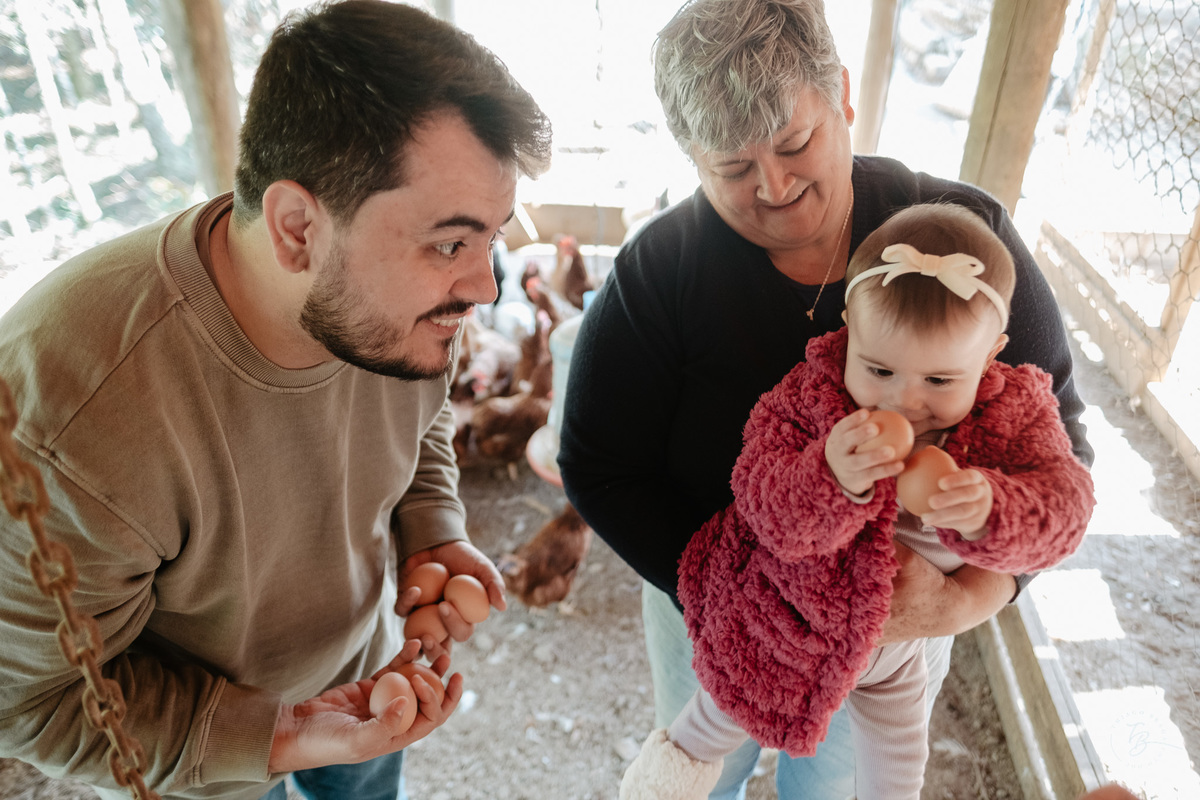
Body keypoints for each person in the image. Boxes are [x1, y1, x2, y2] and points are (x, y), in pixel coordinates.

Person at [0, 3, 550, 800]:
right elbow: (35, 704)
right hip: (202, 760)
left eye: (492, 239)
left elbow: (421, 416)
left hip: (371, 680)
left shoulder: (408, 316)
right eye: (450, 244)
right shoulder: (70, 417)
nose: (483, 288)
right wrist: (284, 733)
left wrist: (431, 531)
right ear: (298, 228)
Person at [557, 1, 1093, 797]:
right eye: (732, 168)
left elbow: (1062, 450)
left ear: (842, 95)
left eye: (794, 143)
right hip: (719, 600)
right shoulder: (660, 270)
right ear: (689, 156)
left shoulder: (960, 241)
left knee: (840, 780)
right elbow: (597, 461)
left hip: (902, 623)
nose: (772, 186)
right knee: (711, 758)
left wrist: (957, 603)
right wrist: (729, 591)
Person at [618, 203, 1096, 799]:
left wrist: (994, 509)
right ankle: (661, 785)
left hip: (898, 651)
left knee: (897, 760)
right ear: (848, 327)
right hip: (788, 620)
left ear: (992, 352)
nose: (904, 402)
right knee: (721, 708)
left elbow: (1066, 506)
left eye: (941, 381)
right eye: (878, 369)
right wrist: (828, 475)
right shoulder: (810, 396)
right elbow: (759, 497)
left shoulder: (1016, 415)